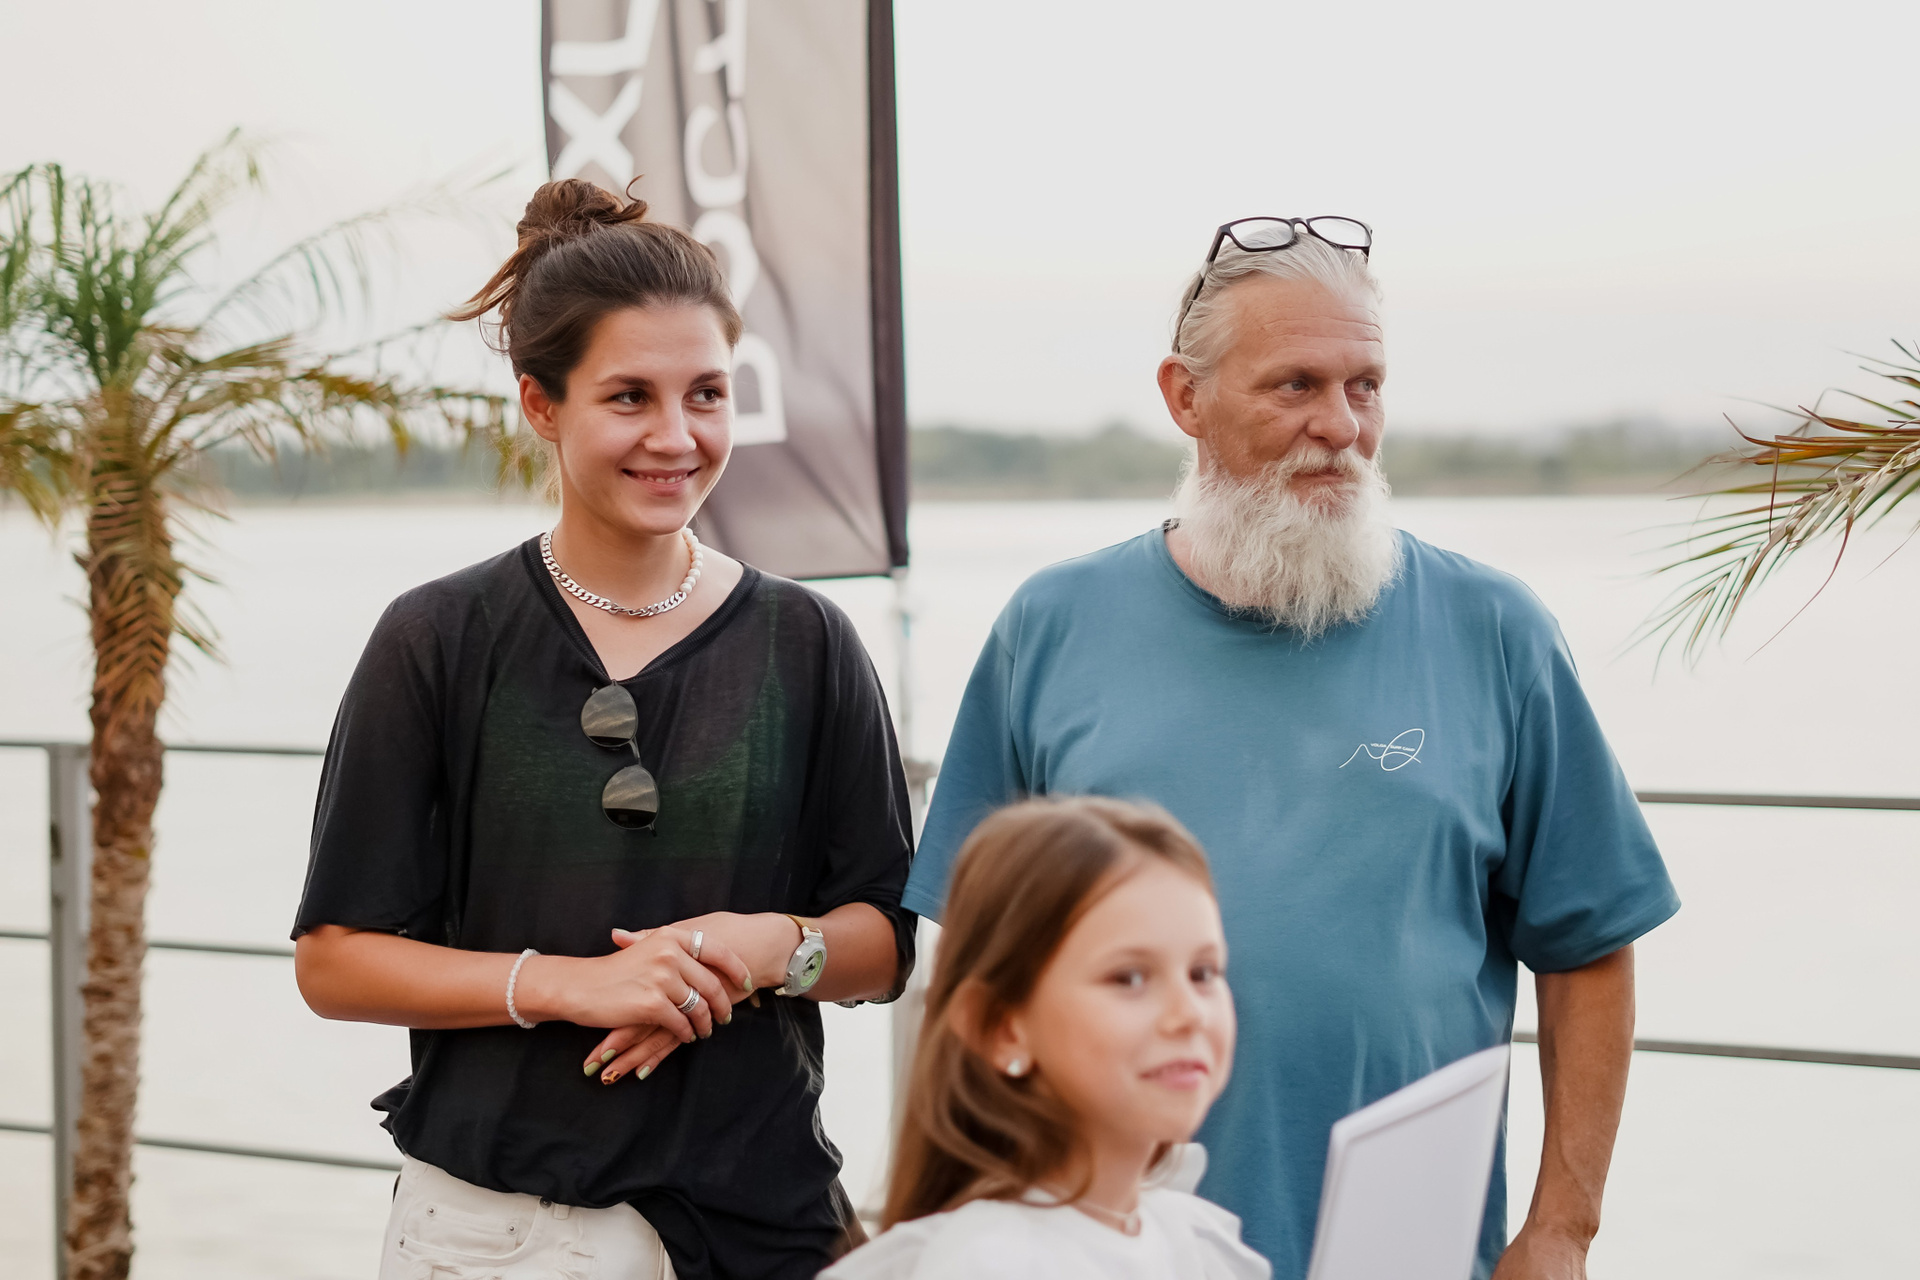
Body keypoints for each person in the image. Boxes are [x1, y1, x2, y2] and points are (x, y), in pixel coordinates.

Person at [902, 218, 1680, 1280]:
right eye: (1296, 386)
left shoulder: (1497, 629)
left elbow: (1589, 942)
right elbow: (975, 973)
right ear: (1185, 397)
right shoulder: (1051, 625)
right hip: (1111, 1250)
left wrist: (1561, 1229)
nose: (1341, 425)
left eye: (1367, 386)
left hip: (1410, 1255)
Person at [290, 179, 916, 1280]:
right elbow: (336, 961)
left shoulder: (809, 640)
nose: (677, 436)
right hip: (493, 1235)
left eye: (707, 394)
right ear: (541, 404)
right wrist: (565, 984)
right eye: (630, 397)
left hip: (765, 1227)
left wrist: (762, 949)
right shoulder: (436, 636)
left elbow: (884, 942)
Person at [826, 797, 1269, 1280]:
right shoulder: (988, 1263)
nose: (1189, 1014)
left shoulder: (1199, 1241)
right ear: (1002, 1027)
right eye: (1129, 978)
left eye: (1203, 972)